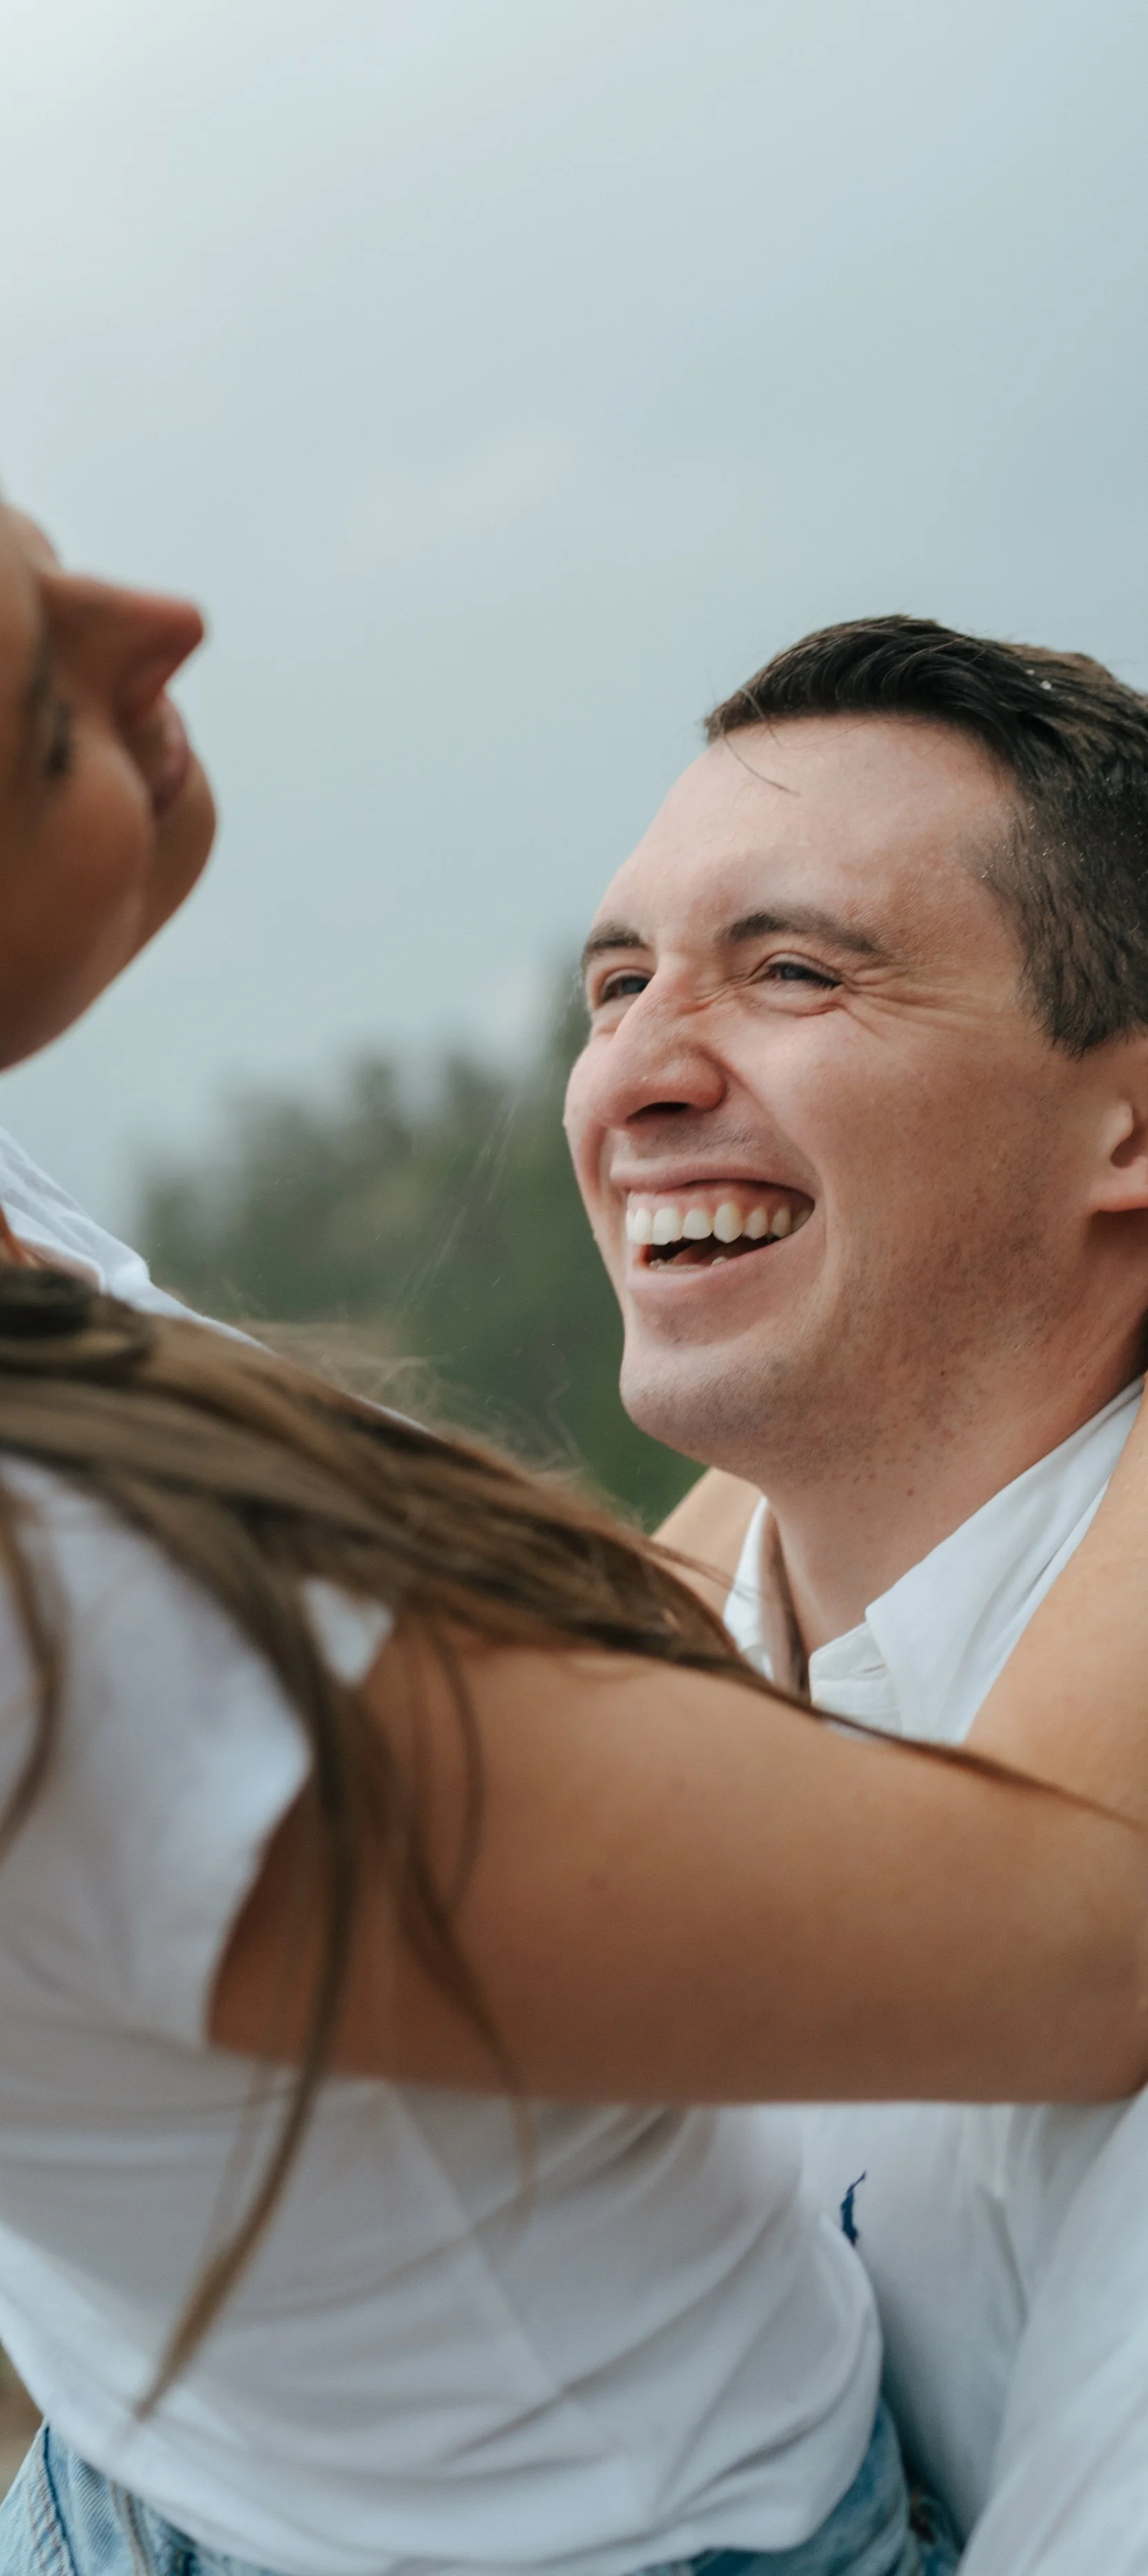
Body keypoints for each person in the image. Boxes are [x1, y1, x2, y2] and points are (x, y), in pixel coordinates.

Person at [0, 233, 1148, 2576]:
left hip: (196, 2466)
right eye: (34, 711)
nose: (160, 626)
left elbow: (532, 1716)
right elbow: (1090, 1930)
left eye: (22, 546)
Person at [562, 614, 1148, 2572]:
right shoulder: (645, 1674)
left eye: (793, 971)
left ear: (1128, 1122)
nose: (632, 1078)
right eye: (613, 983)